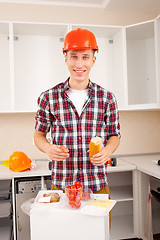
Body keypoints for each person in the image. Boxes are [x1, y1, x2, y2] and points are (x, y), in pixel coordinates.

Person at [34, 28, 121, 196]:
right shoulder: (48, 97)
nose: (79, 64)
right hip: (62, 187)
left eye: (85, 57)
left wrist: (107, 151)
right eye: (74, 56)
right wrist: (48, 148)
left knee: (99, 224)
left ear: (93, 60)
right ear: (65, 58)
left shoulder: (107, 98)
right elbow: (39, 136)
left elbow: (115, 135)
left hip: (97, 185)